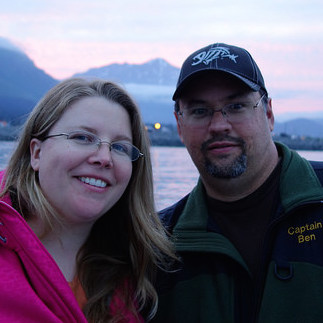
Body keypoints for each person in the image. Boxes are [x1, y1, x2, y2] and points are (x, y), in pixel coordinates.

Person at [152, 43, 323, 323]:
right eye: (199, 111)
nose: (219, 124)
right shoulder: (158, 246)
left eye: (236, 106)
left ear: (268, 114)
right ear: (179, 126)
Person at [0, 78, 175, 323]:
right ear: (36, 153)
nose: (104, 158)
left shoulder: (138, 274)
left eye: (120, 148)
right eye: (83, 138)